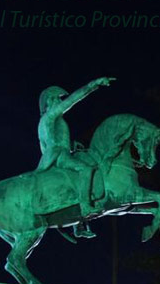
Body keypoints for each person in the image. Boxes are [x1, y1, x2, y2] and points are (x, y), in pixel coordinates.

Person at [36, 77, 114, 237]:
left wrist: (70, 149)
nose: (59, 101)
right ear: (50, 102)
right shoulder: (50, 116)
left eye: (59, 99)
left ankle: (78, 225)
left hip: (57, 154)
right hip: (59, 155)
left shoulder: (44, 122)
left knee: (82, 164)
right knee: (85, 169)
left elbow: (44, 147)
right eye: (57, 99)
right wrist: (92, 85)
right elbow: (72, 100)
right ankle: (86, 207)